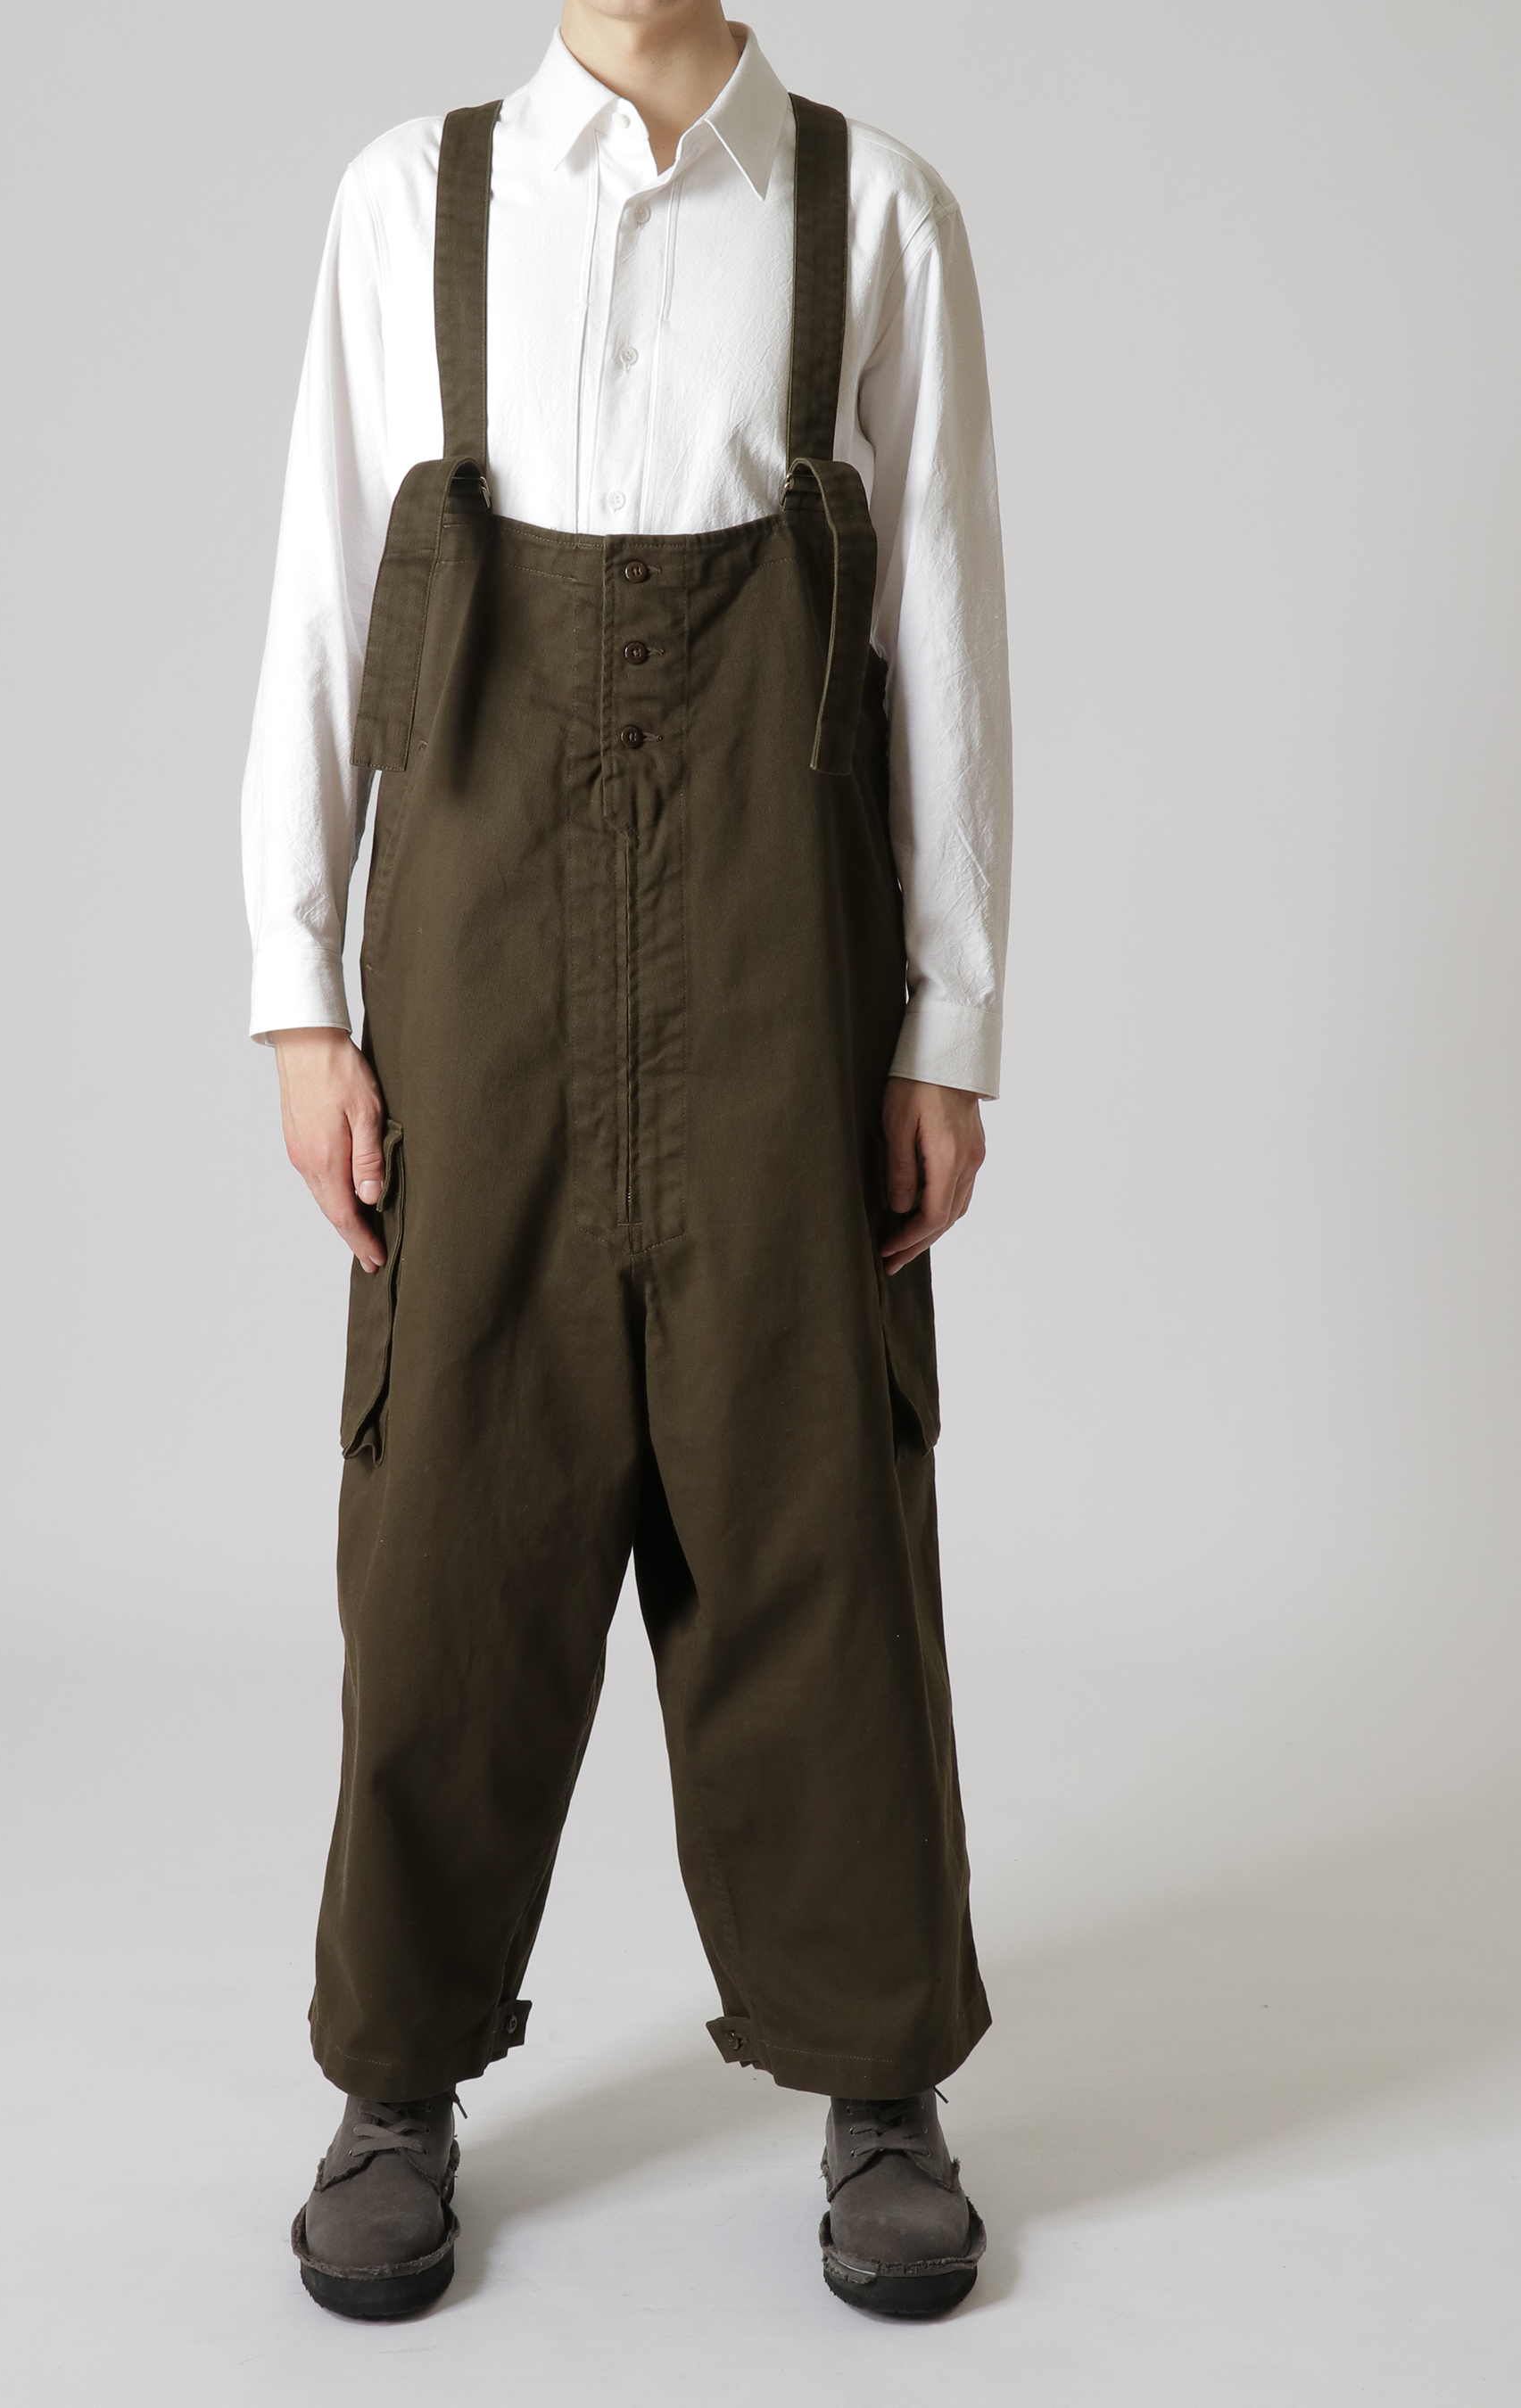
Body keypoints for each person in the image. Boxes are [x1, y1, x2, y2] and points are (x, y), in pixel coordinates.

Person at [241, 0, 1011, 2322]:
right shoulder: (416, 201)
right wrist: (300, 995)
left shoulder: (872, 211)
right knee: (449, 1522)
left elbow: (942, 624)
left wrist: (948, 1021)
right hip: (474, 973)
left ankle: (880, 2075)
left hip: (784, 964)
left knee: (812, 1500)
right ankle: (394, 2079)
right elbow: (319, 596)